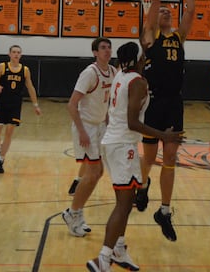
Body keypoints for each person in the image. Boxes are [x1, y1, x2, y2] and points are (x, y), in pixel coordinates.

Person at [86, 42, 183, 272]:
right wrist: (163, 136)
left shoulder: (121, 74)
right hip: (122, 145)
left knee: (127, 202)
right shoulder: (138, 82)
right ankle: (103, 258)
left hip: (114, 142)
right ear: (140, 59)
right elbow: (132, 122)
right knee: (123, 205)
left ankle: (119, 248)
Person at [137, 0, 194, 242]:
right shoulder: (149, 37)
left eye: (170, 11)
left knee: (170, 157)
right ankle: (143, 184)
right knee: (149, 158)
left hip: (175, 103)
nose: (167, 12)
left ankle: (165, 210)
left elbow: (191, 10)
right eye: (162, 12)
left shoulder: (179, 37)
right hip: (155, 102)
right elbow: (156, 0)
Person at [61, 37, 116, 238]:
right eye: (103, 48)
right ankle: (73, 213)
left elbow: (107, 102)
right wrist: (82, 131)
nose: (107, 51)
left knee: (97, 172)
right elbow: (71, 104)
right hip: (86, 127)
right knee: (93, 173)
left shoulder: (113, 71)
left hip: (100, 126)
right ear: (95, 52)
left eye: (109, 47)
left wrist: (109, 122)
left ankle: (75, 212)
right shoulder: (89, 73)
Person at [0, 45, 41, 174]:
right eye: (14, 52)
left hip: (15, 105)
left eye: (18, 52)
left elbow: (30, 87)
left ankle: (0, 160)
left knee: (9, 132)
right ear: (9, 54)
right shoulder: (2, 66)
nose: (16, 54)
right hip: (1, 104)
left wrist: (35, 105)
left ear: (21, 55)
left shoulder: (25, 70)